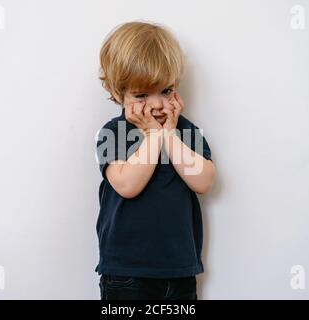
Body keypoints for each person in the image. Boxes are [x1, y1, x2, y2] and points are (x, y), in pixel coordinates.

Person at [95, 20, 216, 300]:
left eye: (166, 90)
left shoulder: (185, 131)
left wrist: (169, 135)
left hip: (179, 270)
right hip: (126, 273)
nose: (158, 104)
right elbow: (127, 185)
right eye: (141, 95)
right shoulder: (113, 133)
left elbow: (204, 181)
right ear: (117, 94)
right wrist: (152, 136)